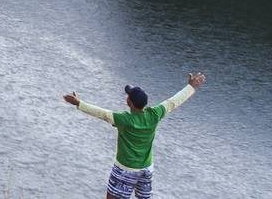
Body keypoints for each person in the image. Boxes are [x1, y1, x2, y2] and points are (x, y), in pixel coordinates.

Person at [63, 72, 206, 198]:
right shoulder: (154, 114)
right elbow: (173, 102)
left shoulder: (124, 119)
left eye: (128, 96)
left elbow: (102, 114)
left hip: (126, 169)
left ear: (129, 102)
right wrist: (191, 87)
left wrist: (78, 103)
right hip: (146, 169)